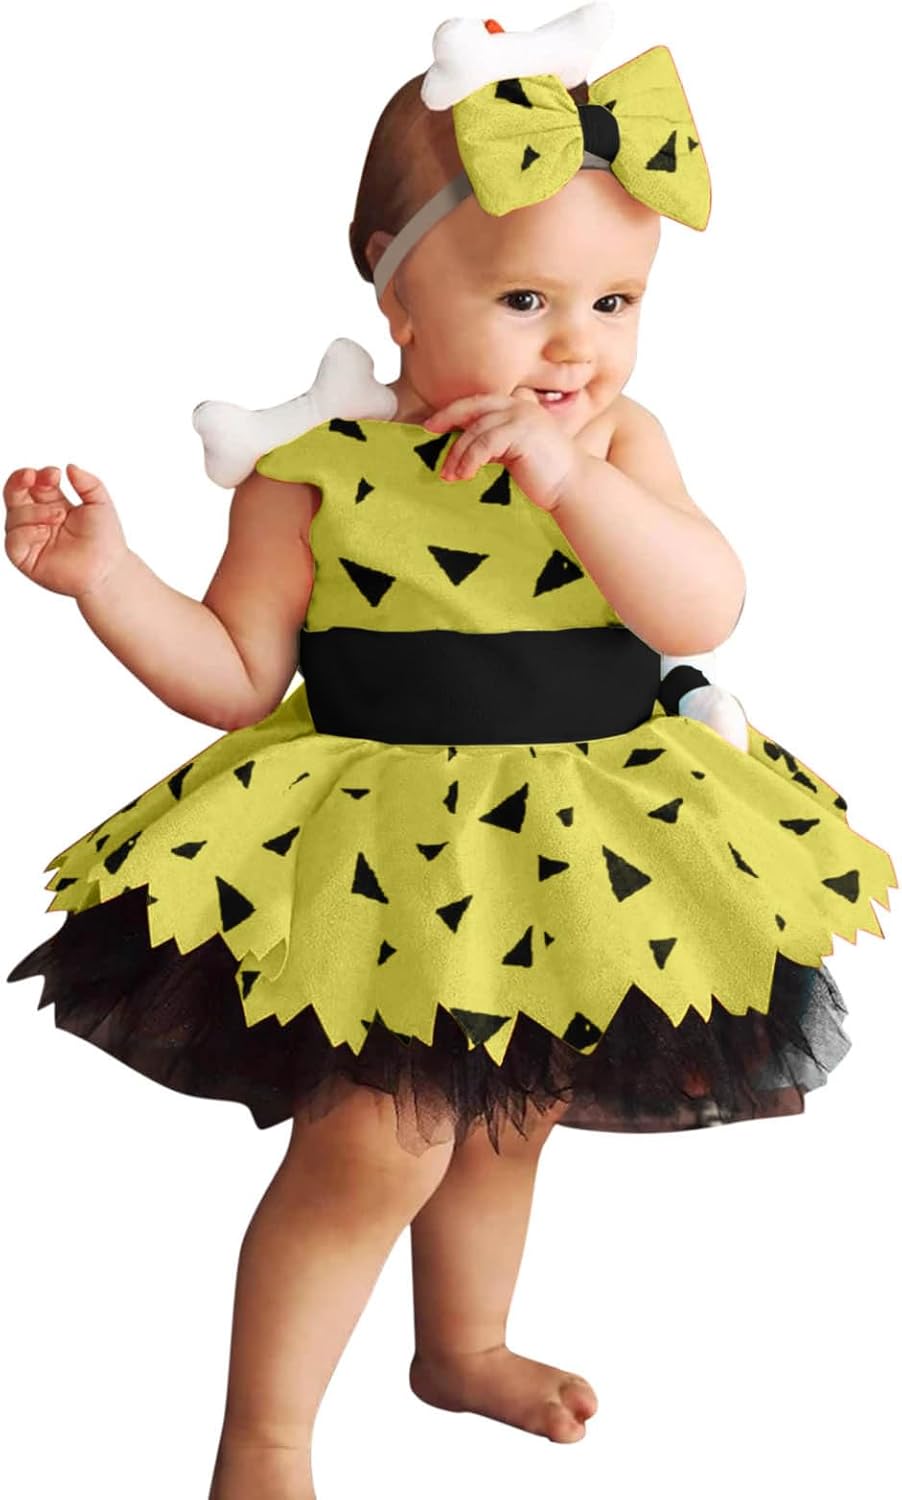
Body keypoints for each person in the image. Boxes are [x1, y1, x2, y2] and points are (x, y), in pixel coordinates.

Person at [3, 8, 897, 1498]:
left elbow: (700, 607)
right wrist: (108, 579)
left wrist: (568, 483)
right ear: (396, 290)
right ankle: (264, 1438)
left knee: (509, 1113)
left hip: (585, 837)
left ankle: (461, 1346)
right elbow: (234, 677)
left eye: (616, 301)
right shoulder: (310, 473)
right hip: (385, 855)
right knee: (381, 1142)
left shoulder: (618, 446)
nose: (576, 343)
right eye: (527, 297)